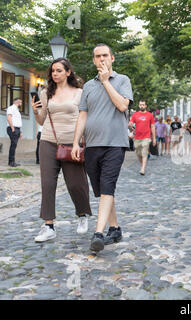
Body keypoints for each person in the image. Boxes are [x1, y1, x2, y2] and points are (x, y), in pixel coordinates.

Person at [72, 43, 133, 253]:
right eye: (97, 56)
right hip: (92, 145)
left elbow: (123, 105)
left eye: (105, 55)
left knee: (108, 185)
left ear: (112, 58)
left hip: (115, 144)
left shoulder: (122, 80)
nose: (101, 59)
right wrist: (75, 142)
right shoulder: (88, 86)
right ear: (93, 60)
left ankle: (98, 234)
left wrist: (106, 82)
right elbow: (83, 115)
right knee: (102, 190)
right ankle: (115, 228)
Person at [31, 57, 92, 243]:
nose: (54, 74)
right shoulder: (46, 93)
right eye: (53, 71)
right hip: (49, 140)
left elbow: (84, 118)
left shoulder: (80, 93)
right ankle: (48, 225)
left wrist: (82, 140)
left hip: (71, 142)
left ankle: (82, 215)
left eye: (58, 70)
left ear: (68, 72)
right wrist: (35, 112)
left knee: (75, 183)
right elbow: (42, 121)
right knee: (47, 184)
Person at [129, 100, 156, 175]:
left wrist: (154, 138)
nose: (142, 106)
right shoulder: (135, 114)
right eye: (140, 105)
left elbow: (153, 127)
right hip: (137, 137)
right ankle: (142, 166)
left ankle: (143, 169)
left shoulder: (150, 115)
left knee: (144, 152)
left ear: (146, 106)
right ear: (139, 105)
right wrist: (130, 126)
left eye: (143, 105)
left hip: (146, 137)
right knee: (138, 153)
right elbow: (131, 124)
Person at [6, 98, 23, 167]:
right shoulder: (11, 108)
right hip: (12, 128)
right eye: (21, 102)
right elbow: (9, 118)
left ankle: (12, 161)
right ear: (18, 101)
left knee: (14, 145)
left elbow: (17, 121)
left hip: (17, 129)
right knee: (13, 145)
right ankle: (11, 162)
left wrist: (20, 131)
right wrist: (12, 128)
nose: (21, 103)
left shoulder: (17, 110)